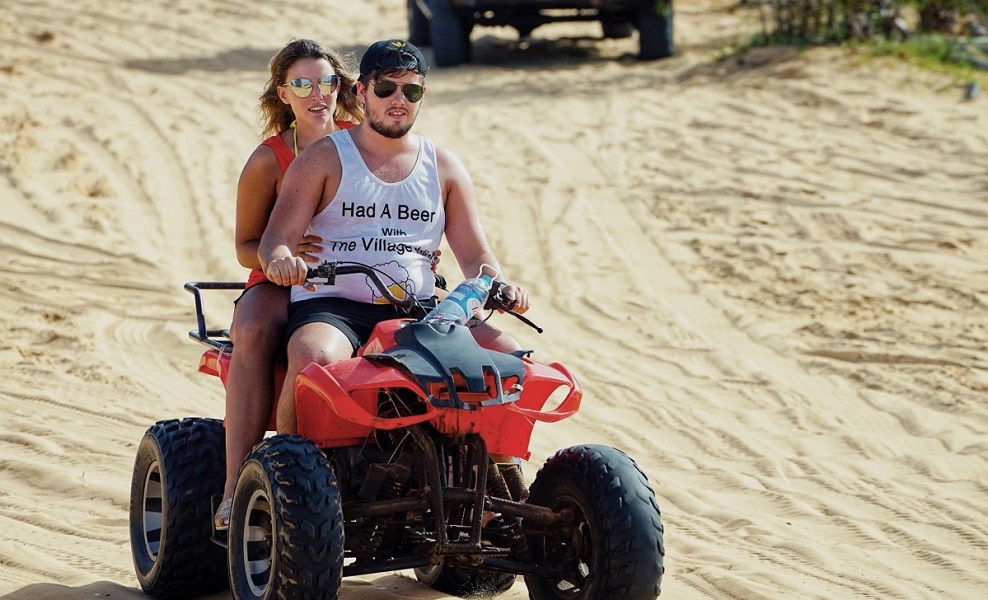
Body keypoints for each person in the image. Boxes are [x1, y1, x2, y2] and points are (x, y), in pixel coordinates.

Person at [258, 39, 531, 436]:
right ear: (362, 91)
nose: (398, 99)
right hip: (335, 307)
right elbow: (274, 240)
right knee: (312, 356)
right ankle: (286, 473)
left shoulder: (445, 167)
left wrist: (500, 285)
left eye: (412, 90)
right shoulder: (322, 159)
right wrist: (281, 258)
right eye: (386, 88)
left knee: (510, 360)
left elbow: (475, 254)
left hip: (423, 311)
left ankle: (503, 478)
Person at [213, 39, 363, 531]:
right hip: (281, 280)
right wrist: (283, 257)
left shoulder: (363, 141)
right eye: (302, 83)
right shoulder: (269, 158)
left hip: (355, 277)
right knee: (253, 330)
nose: (316, 93)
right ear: (283, 92)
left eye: (325, 81)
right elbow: (244, 245)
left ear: (340, 86)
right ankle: (237, 484)